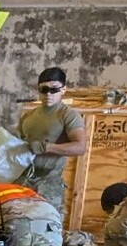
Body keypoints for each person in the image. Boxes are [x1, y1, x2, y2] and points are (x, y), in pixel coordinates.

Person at [18, 68, 89, 217]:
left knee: (48, 228)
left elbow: (80, 147)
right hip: (23, 179)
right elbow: (17, 142)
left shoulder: (68, 115)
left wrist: (47, 147)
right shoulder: (29, 116)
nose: (48, 94)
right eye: (44, 90)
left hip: (49, 182)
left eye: (54, 89)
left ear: (63, 89)